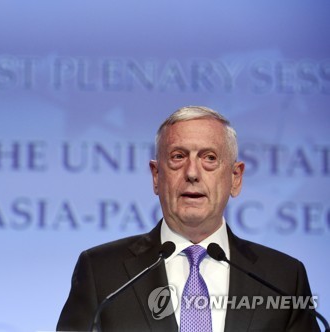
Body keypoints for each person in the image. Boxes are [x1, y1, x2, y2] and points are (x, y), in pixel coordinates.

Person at [56, 106, 319, 332]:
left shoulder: (283, 279)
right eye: (178, 157)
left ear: (235, 178)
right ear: (157, 176)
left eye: (210, 158)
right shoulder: (101, 271)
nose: (192, 173)